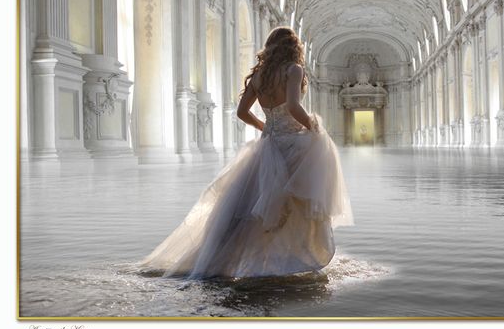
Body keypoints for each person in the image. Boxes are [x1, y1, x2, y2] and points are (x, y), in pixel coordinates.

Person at [135, 26, 353, 280]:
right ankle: (287, 258)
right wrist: (312, 125)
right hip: (292, 143)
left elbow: (242, 112)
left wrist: (266, 126)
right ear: (294, 47)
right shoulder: (293, 70)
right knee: (295, 201)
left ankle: (227, 259)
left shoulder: (259, 76)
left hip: (267, 144)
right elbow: (293, 106)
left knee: (252, 208)